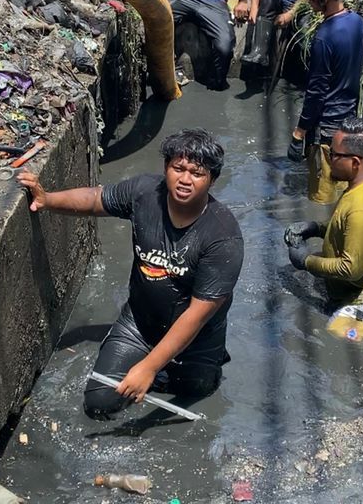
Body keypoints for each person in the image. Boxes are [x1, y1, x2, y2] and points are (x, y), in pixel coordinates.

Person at [17, 129, 244, 419]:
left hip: (196, 340)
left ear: (212, 180)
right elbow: (96, 199)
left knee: (198, 393)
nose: (185, 179)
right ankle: (147, 365)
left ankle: (181, 367)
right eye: (178, 169)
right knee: (99, 403)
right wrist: (48, 199)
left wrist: (148, 368)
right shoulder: (144, 193)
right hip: (139, 324)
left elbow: (196, 315)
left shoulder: (223, 237)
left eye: (197, 174)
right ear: (166, 168)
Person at [283, 116, 363, 343]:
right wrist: (315, 228)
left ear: (355, 162)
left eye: (334, 155)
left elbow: (351, 269)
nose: (329, 159)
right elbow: (347, 228)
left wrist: (305, 261)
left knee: (334, 339)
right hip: (353, 286)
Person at [287, 0, 363, 205]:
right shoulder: (357, 22)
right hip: (349, 124)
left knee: (322, 202)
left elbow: (317, 92)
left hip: (327, 130)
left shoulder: (324, 37)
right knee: (346, 195)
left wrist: (299, 133)